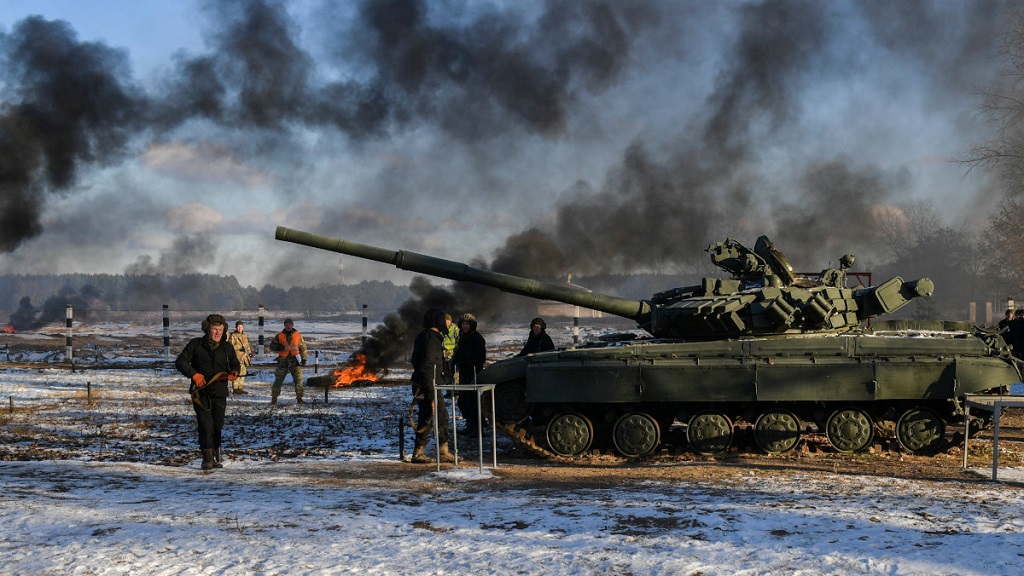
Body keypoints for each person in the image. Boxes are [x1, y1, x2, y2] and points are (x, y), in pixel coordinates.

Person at [175, 313, 240, 471]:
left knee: (217, 426)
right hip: (201, 394)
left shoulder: (227, 347)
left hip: (220, 393)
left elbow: (235, 363)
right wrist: (194, 374)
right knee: (206, 425)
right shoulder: (195, 344)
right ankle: (207, 459)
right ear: (207, 329)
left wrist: (234, 372)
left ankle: (216, 455)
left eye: (220, 329)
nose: (217, 332)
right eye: (214, 329)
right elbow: (180, 362)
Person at [410, 308, 455, 463]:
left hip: (430, 384)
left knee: (438, 416)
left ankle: (442, 451)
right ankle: (419, 453)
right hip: (428, 385)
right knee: (431, 416)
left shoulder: (429, 337)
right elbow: (426, 366)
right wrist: (430, 392)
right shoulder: (430, 339)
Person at [452, 312, 487, 436]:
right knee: (463, 402)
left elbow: (481, 358)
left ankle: (478, 428)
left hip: (474, 373)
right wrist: (454, 361)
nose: (465, 326)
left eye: (467, 324)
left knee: (473, 402)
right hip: (464, 374)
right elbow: (458, 353)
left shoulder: (477, 339)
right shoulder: (463, 338)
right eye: (463, 324)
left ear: (472, 325)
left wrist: (466, 362)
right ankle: (471, 424)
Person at [270, 318, 307, 405]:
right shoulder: (279, 335)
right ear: (284, 326)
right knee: (278, 381)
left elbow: (303, 347)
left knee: (298, 380)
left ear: (292, 325)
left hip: (295, 361)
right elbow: (272, 346)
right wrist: (278, 347)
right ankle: (274, 399)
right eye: (286, 324)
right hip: (283, 362)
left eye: (290, 324)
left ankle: (299, 399)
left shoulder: (298, 335)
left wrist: (304, 359)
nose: (288, 326)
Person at [228, 321, 253, 395]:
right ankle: (235, 389)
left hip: (245, 357)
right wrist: (240, 347)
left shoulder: (245, 335)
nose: (239, 328)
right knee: (237, 372)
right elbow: (230, 346)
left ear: (243, 327)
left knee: (243, 373)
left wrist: (249, 354)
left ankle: (240, 388)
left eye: (241, 327)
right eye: (238, 327)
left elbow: (247, 346)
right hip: (237, 357)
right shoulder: (233, 335)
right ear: (236, 327)